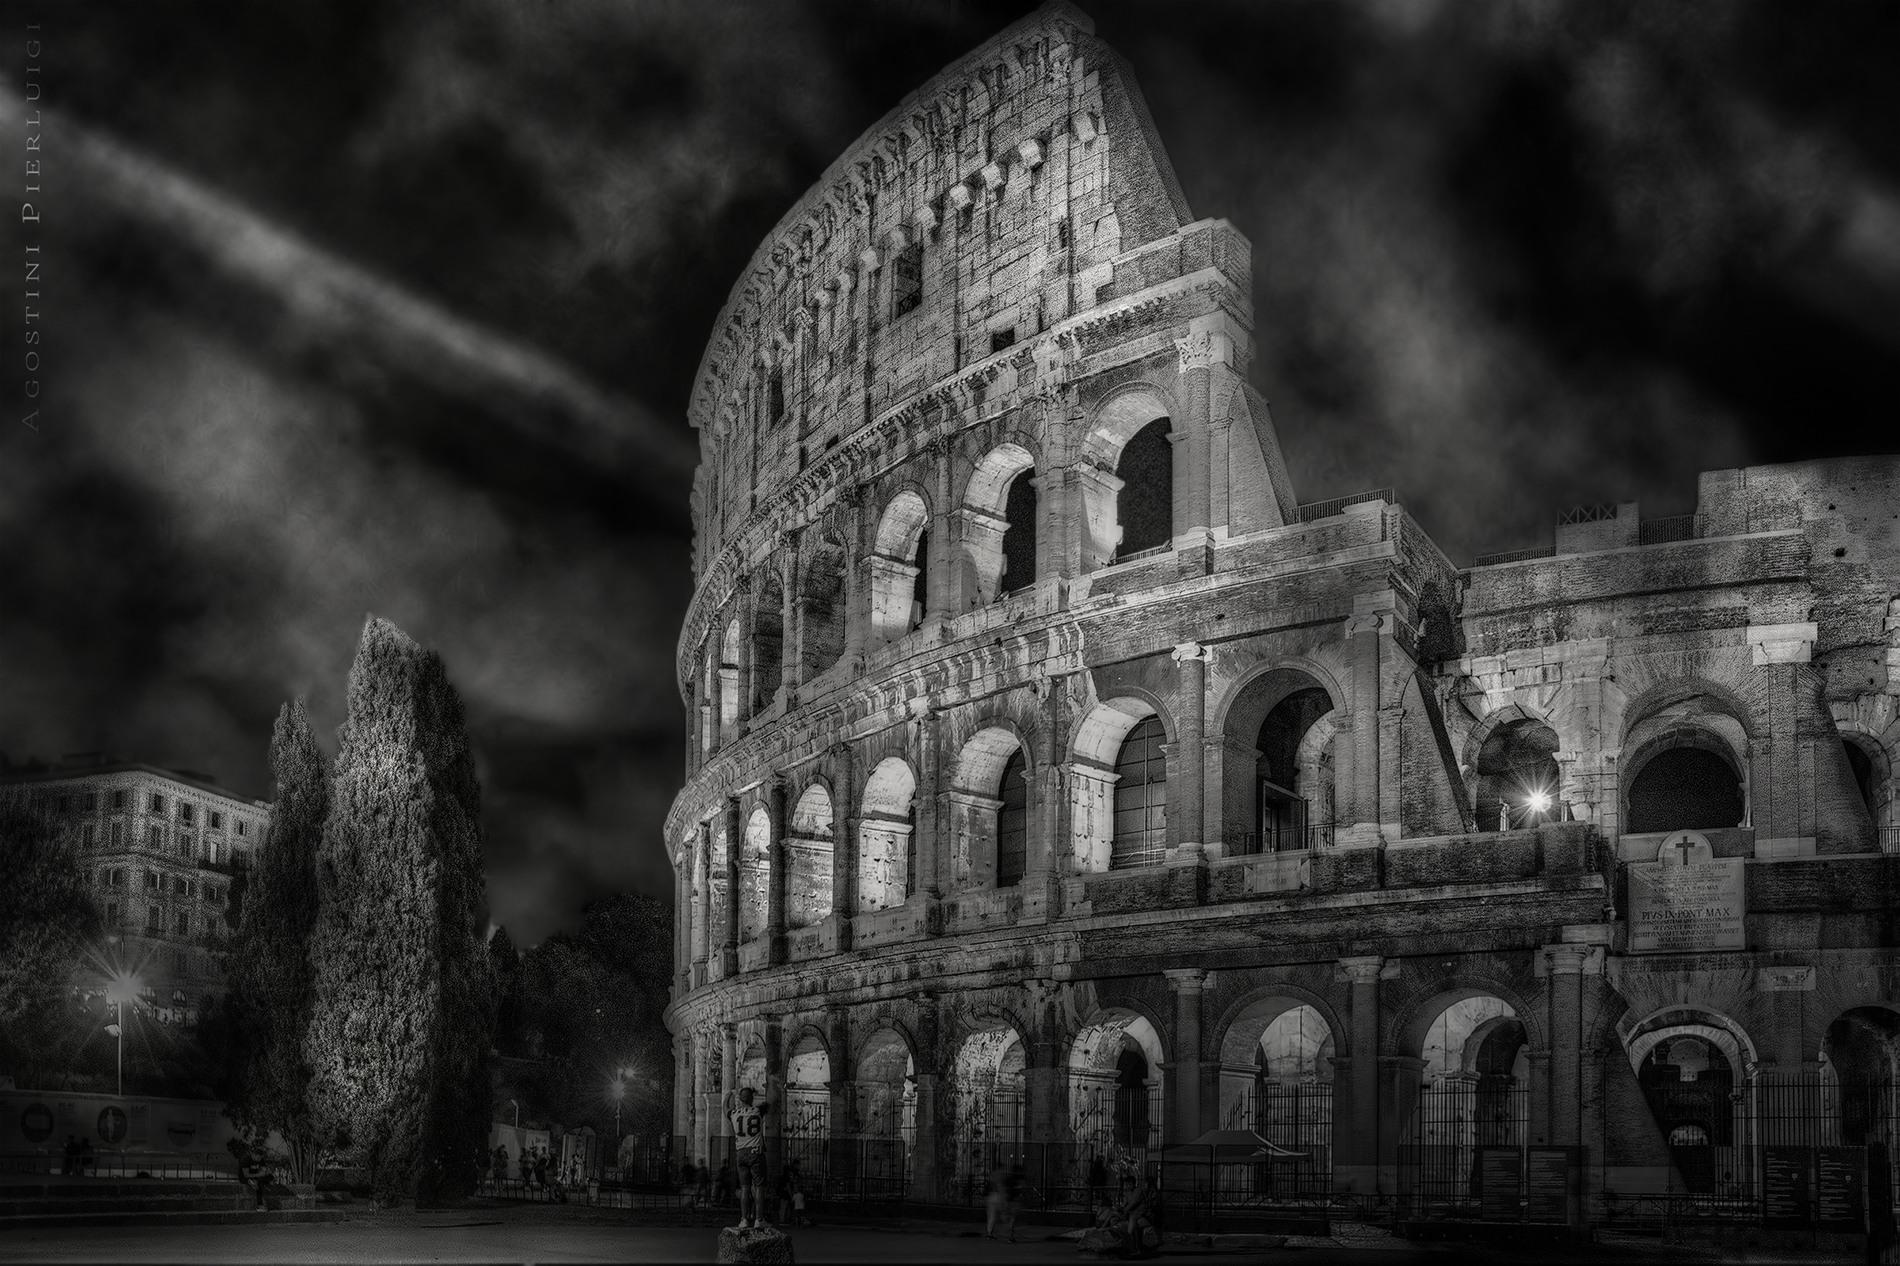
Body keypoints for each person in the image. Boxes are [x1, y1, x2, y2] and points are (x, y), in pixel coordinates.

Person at [725, 1085, 772, 1229]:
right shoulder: (757, 1111)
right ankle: (759, 1219)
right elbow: (768, 1104)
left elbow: (725, 1109)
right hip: (755, 1152)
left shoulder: (734, 1114)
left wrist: (728, 1095)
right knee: (759, 1187)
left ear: (740, 1099)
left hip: (740, 1152)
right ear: (751, 1099)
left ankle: (744, 1219)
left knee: (745, 1187)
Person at [984, 1163, 1011, 1241]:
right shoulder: (1001, 1176)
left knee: (991, 1216)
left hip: (991, 1196)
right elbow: (1001, 1187)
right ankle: (1008, 1231)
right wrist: (1005, 1199)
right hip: (998, 1196)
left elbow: (988, 1187)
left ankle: (989, 1233)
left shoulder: (992, 1176)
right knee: (1004, 1214)